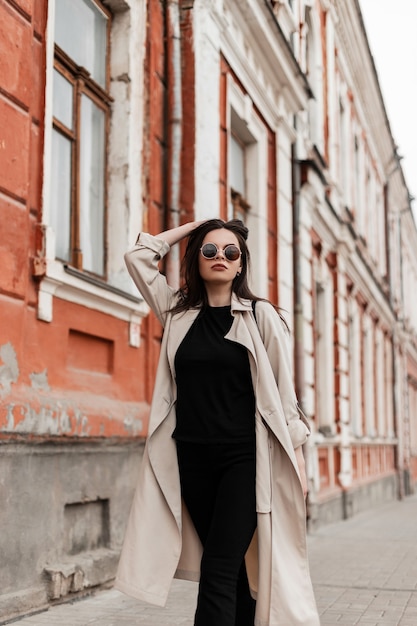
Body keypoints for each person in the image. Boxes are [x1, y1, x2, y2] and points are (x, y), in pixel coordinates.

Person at [115, 219, 320, 626]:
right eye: (210, 251)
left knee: (218, 571)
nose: (221, 258)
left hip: (246, 461)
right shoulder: (177, 314)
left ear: (242, 264)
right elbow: (138, 258)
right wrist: (199, 225)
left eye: (231, 252)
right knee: (233, 571)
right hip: (192, 461)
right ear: (197, 259)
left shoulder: (261, 316)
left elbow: (285, 399)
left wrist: (299, 465)